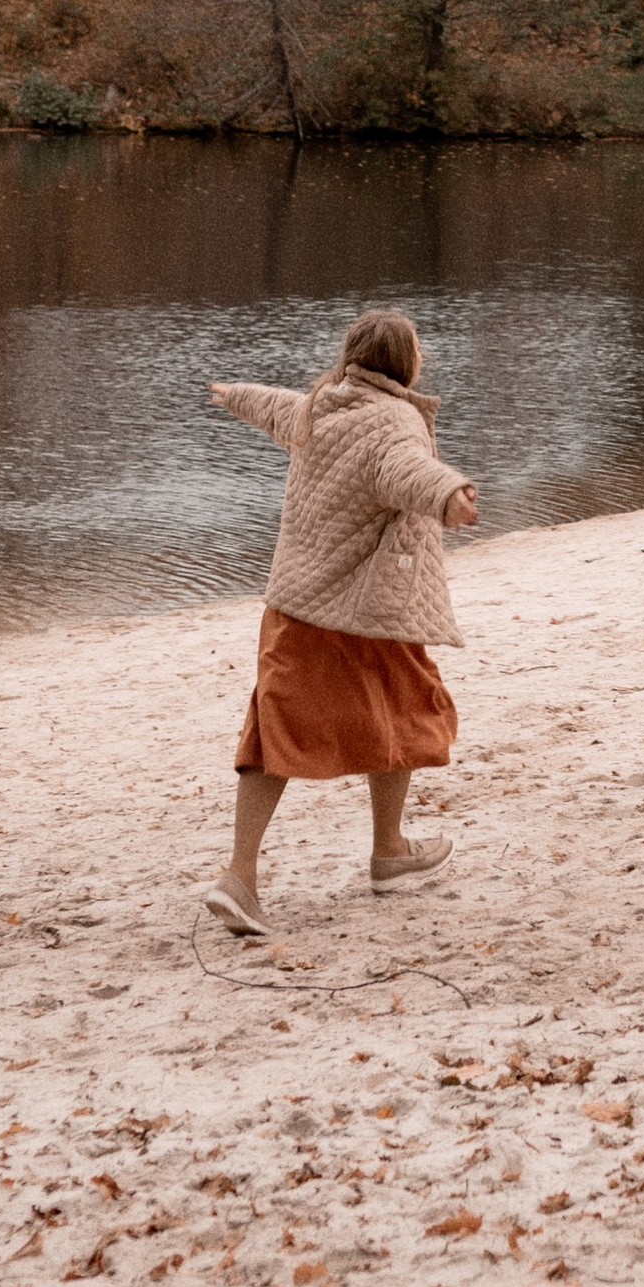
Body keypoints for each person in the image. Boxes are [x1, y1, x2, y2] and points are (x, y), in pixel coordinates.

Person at [203, 306, 478, 935]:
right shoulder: (395, 420)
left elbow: (277, 406)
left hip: (299, 605)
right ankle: (370, 855)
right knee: (406, 711)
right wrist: (449, 494)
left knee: (280, 732)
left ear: (353, 356)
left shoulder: (321, 404)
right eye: (418, 350)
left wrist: (234, 394)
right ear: (404, 363)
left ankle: (268, 870)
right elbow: (405, 471)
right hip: (368, 609)